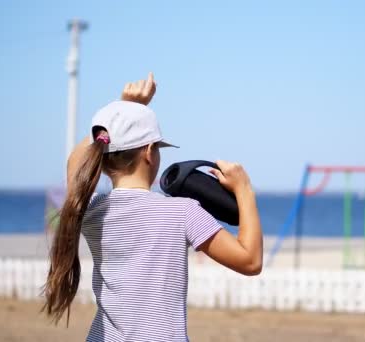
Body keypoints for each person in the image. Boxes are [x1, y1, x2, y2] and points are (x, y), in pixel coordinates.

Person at [42, 72, 263, 341]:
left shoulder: (91, 210)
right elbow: (250, 261)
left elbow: (75, 170)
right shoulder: (182, 212)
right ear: (149, 152)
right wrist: (244, 189)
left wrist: (120, 109)